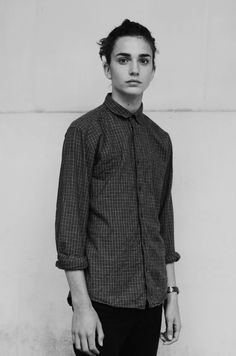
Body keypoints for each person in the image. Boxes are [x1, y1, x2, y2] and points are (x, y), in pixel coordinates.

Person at [55, 19, 181, 356]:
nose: (134, 69)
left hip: (151, 300)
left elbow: (162, 223)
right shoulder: (85, 132)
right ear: (106, 67)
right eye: (123, 59)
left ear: (154, 68)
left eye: (143, 60)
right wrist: (81, 307)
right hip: (102, 302)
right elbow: (70, 224)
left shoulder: (160, 140)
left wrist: (172, 295)